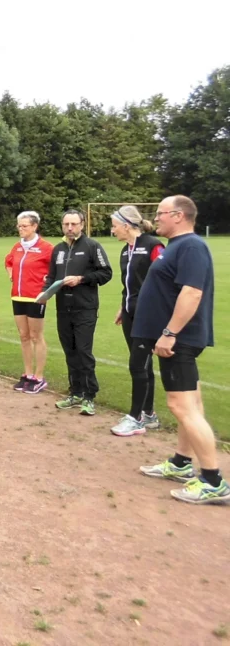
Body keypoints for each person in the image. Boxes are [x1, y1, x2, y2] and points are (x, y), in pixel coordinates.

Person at [135, 196, 226, 504]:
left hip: (179, 341)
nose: (155, 219)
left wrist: (169, 333)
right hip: (176, 339)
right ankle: (181, 463)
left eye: (160, 214)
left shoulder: (191, 247)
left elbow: (192, 292)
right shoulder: (176, 246)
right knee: (192, 404)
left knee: (181, 406)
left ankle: (213, 480)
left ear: (178, 215)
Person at [48, 209, 112, 416]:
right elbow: (51, 276)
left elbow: (105, 273)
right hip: (62, 308)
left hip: (85, 308)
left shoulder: (92, 246)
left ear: (82, 225)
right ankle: (75, 392)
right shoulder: (57, 249)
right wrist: (45, 290)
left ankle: (89, 396)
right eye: (66, 224)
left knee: (84, 352)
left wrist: (82, 279)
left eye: (74, 224)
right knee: (70, 351)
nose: (70, 228)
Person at [110, 206, 164, 436]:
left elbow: (165, 280)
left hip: (149, 316)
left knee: (136, 364)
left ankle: (136, 418)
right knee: (143, 364)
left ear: (126, 225)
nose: (112, 231)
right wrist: (124, 307)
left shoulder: (153, 245)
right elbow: (129, 284)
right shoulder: (125, 251)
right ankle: (149, 413)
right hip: (131, 314)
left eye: (114, 226)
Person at [3, 211, 54, 394]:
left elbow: (56, 268)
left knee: (36, 336)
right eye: (19, 225)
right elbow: (8, 262)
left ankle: (39, 377)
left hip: (36, 297)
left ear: (34, 226)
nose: (21, 229)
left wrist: (47, 286)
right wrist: (11, 274)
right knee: (23, 336)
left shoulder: (46, 247)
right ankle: (28, 374)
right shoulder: (17, 247)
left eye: (25, 226)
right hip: (17, 296)